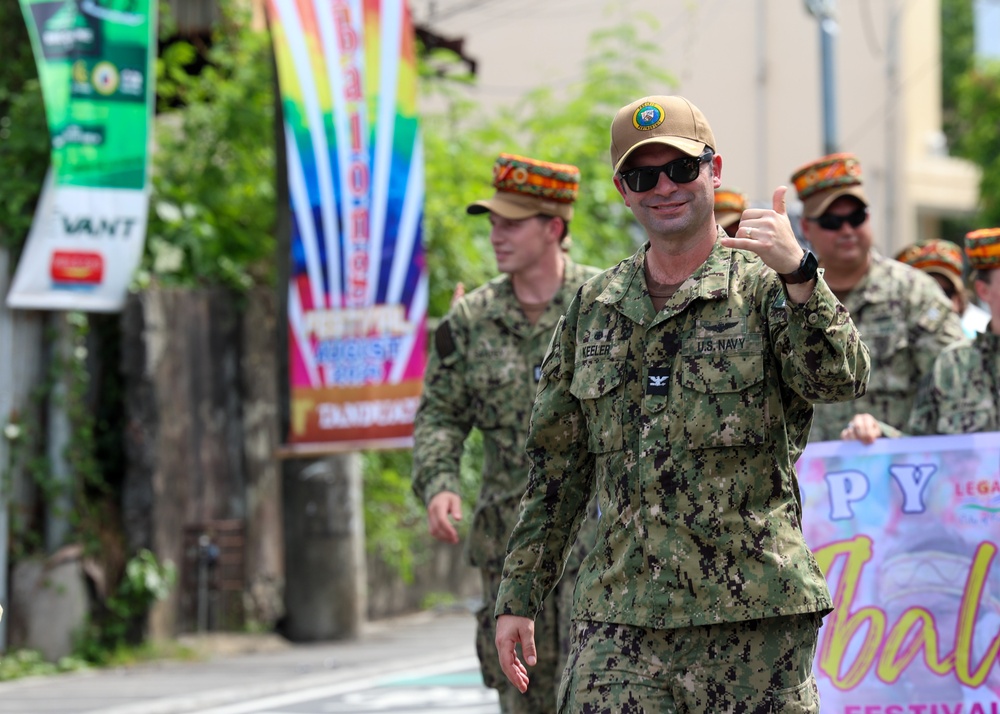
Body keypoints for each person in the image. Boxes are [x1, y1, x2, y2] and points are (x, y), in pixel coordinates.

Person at [493, 95, 870, 713]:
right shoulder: (594, 308)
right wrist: (519, 596)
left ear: (713, 170)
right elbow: (557, 473)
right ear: (622, 190)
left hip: (751, 620)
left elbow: (841, 378)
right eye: (644, 176)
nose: (664, 187)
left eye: (682, 169)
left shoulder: (768, 287)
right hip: (621, 618)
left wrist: (802, 274)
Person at [411, 153, 602, 714]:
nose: (497, 234)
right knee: (527, 699)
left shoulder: (605, 306)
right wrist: (440, 481)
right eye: (493, 222)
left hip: (600, 542)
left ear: (554, 228)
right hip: (510, 544)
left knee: (606, 692)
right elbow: (439, 415)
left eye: (512, 222)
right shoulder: (469, 322)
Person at [790, 153, 964, 442]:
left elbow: (956, 383)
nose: (847, 230)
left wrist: (894, 437)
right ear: (807, 228)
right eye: (832, 221)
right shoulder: (789, 297)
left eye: (856, 217)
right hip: (811, 479)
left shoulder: (914, 292)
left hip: (900, 472)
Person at [842, 226, 1000, 442]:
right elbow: (923, 448)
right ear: (983, 290)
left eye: (946, 292)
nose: (937, 302)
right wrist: (880, 435)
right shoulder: (955, 364)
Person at [895, 238, 991, 338]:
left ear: (959, 298)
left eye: (946, 293)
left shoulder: (981, 332)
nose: (939, 303)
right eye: (927, 295)